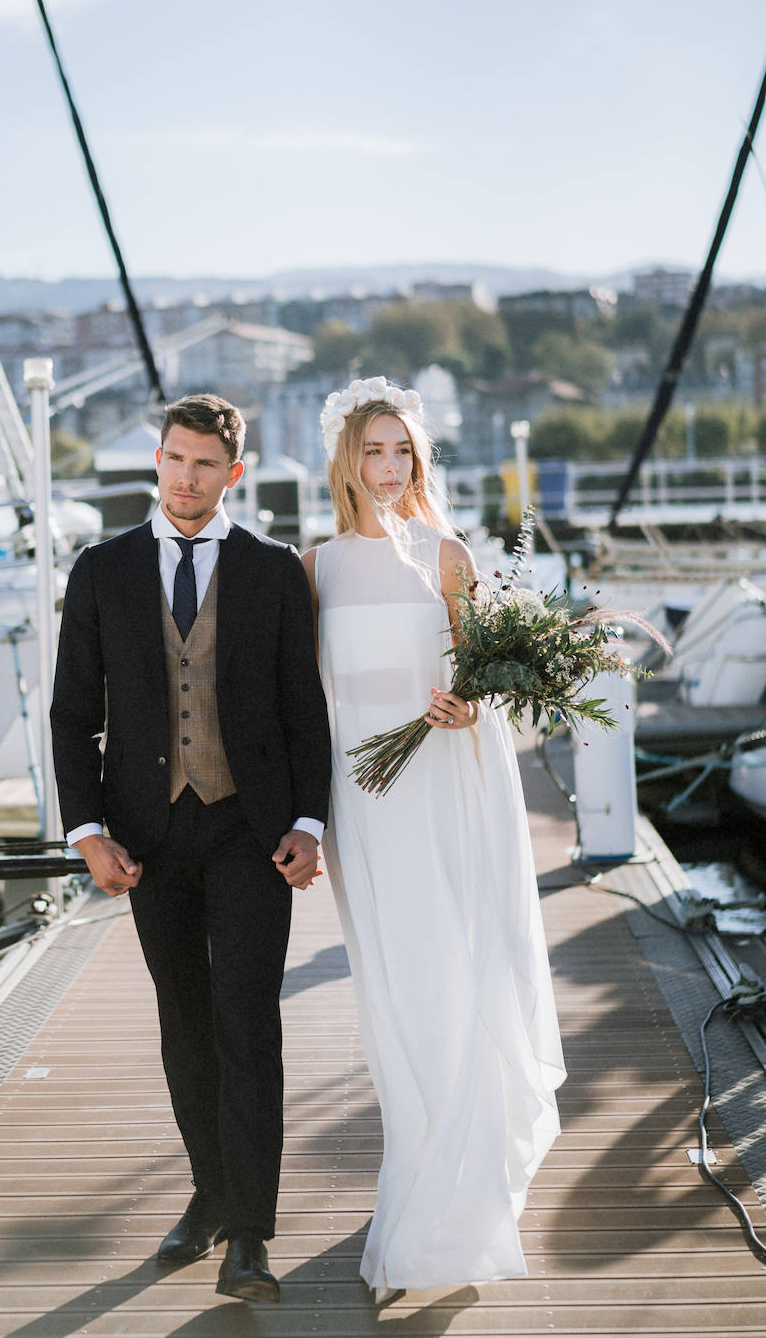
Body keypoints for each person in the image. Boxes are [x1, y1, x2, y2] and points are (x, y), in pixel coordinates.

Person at [50, 393, 331, 1304]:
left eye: (204, 464)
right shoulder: (101, 569)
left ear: (233, 473)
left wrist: (307, 823)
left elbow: (303, 711)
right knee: (185, 1023)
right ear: (157, 461)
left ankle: (250, 1234)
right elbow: (71, 716)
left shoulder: (275, 569)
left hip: (251, 833)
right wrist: (88, 832)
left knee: (248, 1022)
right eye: (173, 459)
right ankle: (210, 1192)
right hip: (146, 836)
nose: (185, 477)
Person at [302, 378, 565, 1302]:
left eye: (401, 451)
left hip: (445, 795)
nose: (386, 466)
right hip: (365, 806)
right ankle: (415, 1174)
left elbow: (485, 684)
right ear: (346, 460)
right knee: (396, 996)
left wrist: (468, 709)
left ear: (418, 459)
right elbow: (310, 706)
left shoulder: (451, 557)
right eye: (371, 450)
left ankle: (444, 1215)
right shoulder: (317, 567)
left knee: (456, 978)